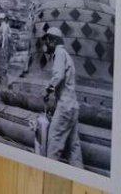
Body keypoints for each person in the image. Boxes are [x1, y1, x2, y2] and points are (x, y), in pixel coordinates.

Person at [43, 27, 83, 167]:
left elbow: (58, 75)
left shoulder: (59, 53)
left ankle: (48, 174)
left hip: (65, 108)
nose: (45, 44)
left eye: (46, 40)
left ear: (53, 41)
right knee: (73, 149)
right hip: (73, 107)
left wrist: (48, 90)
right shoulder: (66, 55)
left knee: (53, 145)